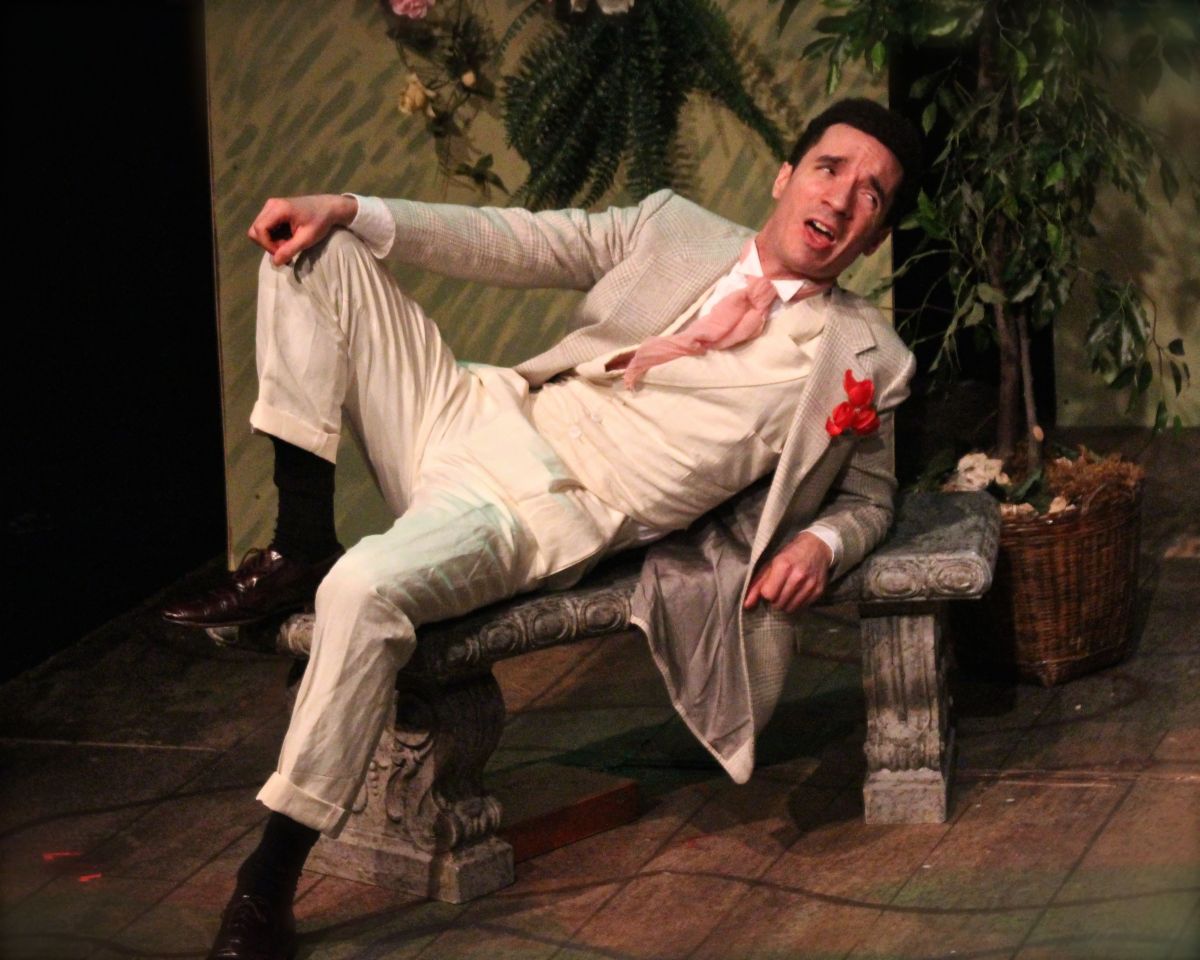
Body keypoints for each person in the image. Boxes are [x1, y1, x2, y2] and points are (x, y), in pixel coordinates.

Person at [169, 97, 922, 959]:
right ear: (786, 176)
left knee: (362, 589)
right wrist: (345, 207)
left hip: (537, 506)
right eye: (829, 169)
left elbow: (871, 499)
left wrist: (822, 542)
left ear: (873, 236)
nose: (842, 198)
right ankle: (301, 536)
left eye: (871, 195)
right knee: (312, 249)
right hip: (472, 407)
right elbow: (518, 240)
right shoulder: (672, 228)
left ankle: (267, 881)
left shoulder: (866, 356)